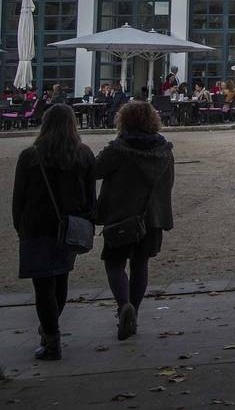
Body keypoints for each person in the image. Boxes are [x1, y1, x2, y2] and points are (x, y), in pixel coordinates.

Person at [12, 104, 96, 361]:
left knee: (43, 286)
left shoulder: (30, 156)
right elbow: (91, 197)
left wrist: (20, 227)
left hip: (37, 224)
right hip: (69, 224)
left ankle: (51, 337)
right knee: (60, 281)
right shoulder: (83, 155)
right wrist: (87, 222)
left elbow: (19, 198)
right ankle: (50, 330)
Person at [94, 99, 175, 342]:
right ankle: (135, 312)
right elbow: (167, 184)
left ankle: (124, 306)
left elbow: (95, 171)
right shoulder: (164, 151)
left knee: (114, 264)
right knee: (140, 265)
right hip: (152, 218)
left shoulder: (118, 150)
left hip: (122, 217)